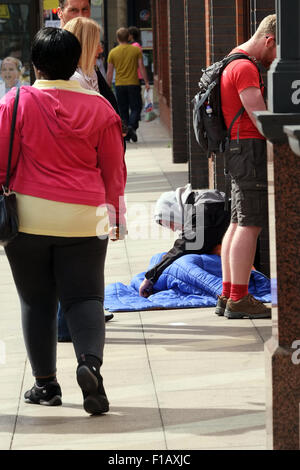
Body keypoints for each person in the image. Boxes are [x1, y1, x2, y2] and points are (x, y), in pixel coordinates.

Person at [0, 27, 127, 415]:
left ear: (34, 64)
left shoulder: (14, 102)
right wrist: (116, 213)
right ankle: (89, 363)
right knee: (86, 296)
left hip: (28, 216)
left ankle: (46, 386)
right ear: (77, 63)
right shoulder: (101, 108)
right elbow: (113, 170)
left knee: (36, 301)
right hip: (86, 217)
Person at [215, 14, 276, 320]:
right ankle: (239, 297)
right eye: (277, 52)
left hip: (237, 147)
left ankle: (228, 293)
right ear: (269, 40)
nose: (275, 60)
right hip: (248, 148)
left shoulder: (232, 60)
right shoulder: (245, 67)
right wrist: (279, 139)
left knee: (238, 222)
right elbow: (258, 115)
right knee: (250, 224)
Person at [139, 186, 230, 297]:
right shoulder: (199, 205)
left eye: (169, 223)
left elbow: (187, 244)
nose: (172, 229)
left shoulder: (203, 207)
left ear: (174, 210)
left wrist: (151, 277)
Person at [106, 27, 150, 143]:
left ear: (118, 38)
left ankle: (126, 132)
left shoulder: (113, 52)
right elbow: (141, 66)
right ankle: (131, 127)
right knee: (136, 107)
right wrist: (146, 82)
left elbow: (110, 72)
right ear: (128, 37)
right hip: (133, 83)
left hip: (119, 84)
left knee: (122, 109)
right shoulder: (135, 50)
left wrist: (107, 87)